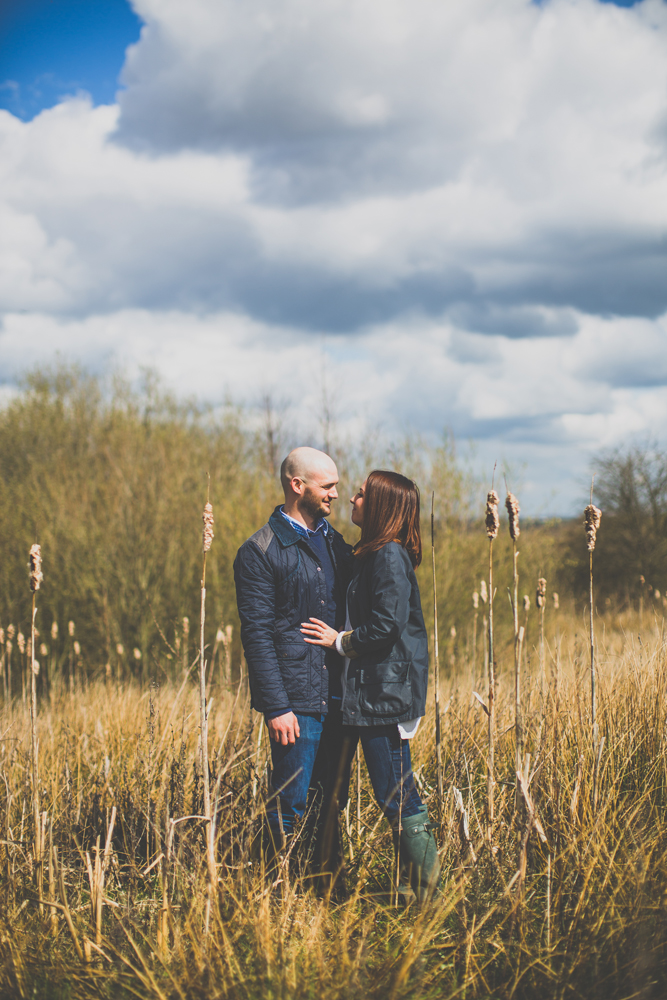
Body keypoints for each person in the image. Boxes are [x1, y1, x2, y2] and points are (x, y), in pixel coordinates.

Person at [301, 469, 440, 903]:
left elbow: (384, 627)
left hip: (386, 697)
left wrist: (338, 641)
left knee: (397, 795)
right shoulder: (373, 554)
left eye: (360, 494)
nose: (351, 499)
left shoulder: (389, 557)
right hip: (374, 694)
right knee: (393, 793)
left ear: (380, 506)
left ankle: (427, 896)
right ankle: (410, 890)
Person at [233, 446, 354, 883]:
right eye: (328, 486)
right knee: (289, 804)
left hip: (340, 698)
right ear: (296, 485)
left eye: (337, 486)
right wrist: (276, 707)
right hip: (296, 703)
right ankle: (267, 895)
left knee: (331, 801)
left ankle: (327, 887)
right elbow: (258, 636)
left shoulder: (335, 542)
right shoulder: (259, 552)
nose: (335, 495)